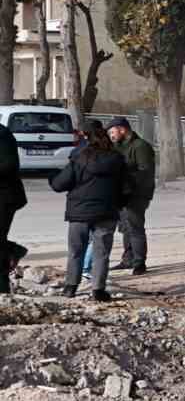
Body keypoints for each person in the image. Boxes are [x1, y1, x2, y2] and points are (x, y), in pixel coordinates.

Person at [50, 121, 130, 302]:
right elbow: (127, 188)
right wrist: (118, 204)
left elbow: (59, 185)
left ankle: (70, 287)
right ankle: (98, 290)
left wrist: (51, 176)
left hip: (79, 213)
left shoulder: (79, 158)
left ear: (87, 138)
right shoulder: (117, 159)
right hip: (106, 213)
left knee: (76, 251)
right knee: (101, 252)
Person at [107, 117, 155, 275]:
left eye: (112, 132)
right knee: (125, 228)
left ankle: (139, 262)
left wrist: (126, 181)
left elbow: (144, 172)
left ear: (122, 129)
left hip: (137, 194)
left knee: (135, 227)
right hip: (120, 194)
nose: (111, 136)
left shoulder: (140, 146)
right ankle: (128, 259)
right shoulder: (117, 146)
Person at [0, 117, 26, 294]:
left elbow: (9, 164)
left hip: (5, 196)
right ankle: (13, 249)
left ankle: (1, 286)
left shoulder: (3, 135)